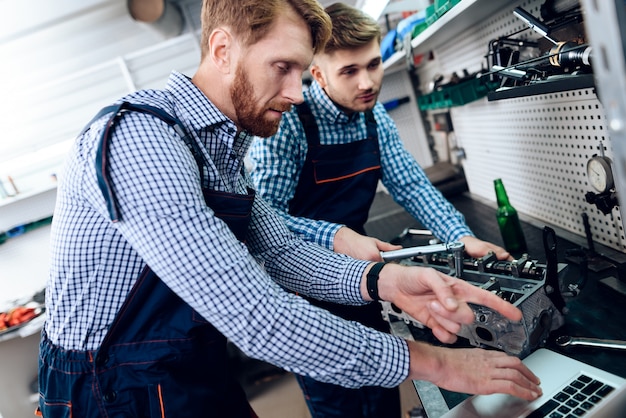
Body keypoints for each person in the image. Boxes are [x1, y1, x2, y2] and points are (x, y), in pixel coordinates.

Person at [38, 0, 541, 416]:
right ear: (222, 50)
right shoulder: (142, 140)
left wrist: (383, 281)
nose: (298, 93)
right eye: (283, 68)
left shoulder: (219, 145)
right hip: (109, 389)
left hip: (187, 365)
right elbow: (257, 317)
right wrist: (436, 363)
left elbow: (278, 249)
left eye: (302, 71)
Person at [248, 3, 514, 417]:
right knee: (339, 403)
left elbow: (410, 184)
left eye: (373, 65)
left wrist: (460, 237)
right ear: (317, 74)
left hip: (362, 278)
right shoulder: (288, 126)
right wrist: (335, 236)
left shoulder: (372, 118)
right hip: (304, 293)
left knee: (382, 389)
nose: (368, 82)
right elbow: (262, 218)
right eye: (349, 71)